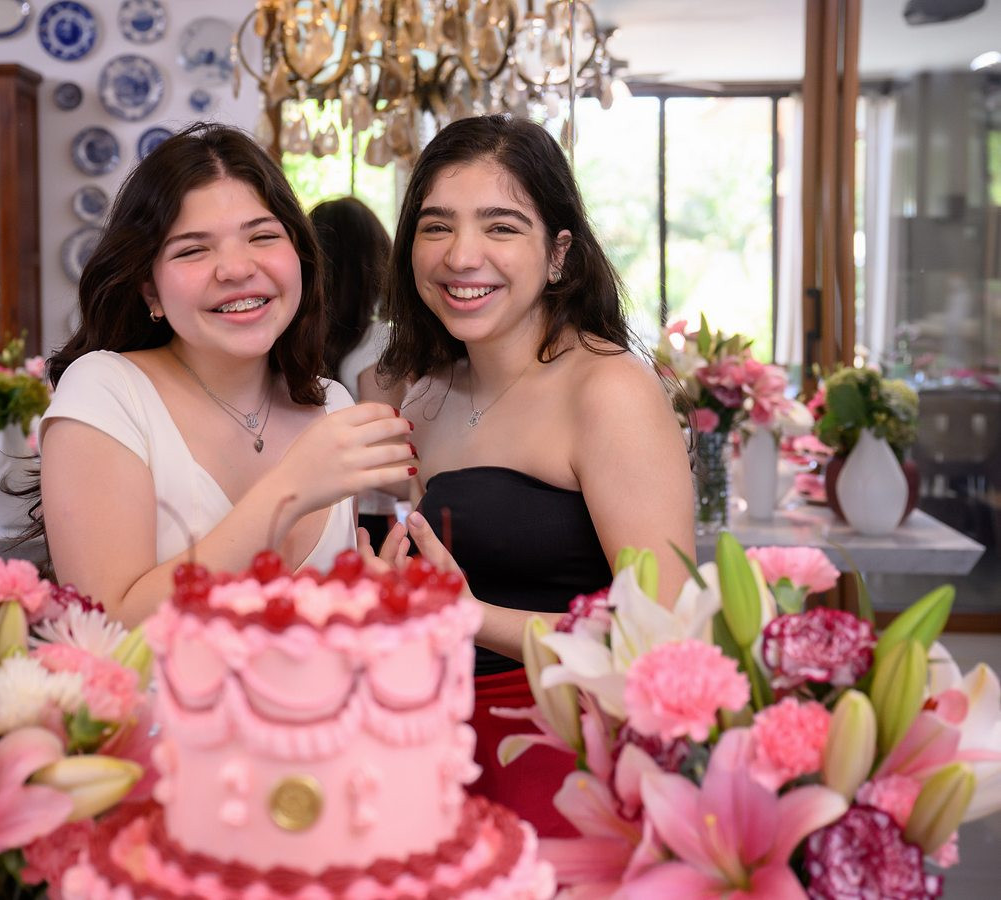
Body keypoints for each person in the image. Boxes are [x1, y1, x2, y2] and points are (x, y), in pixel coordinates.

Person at [375, 115, 695, 834]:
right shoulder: (425, 396)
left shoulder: (608, 389)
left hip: (570, 753)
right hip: (439, 744)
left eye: (501, 227)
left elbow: (665, 638)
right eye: (436, 227)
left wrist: (473, 618)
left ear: (557, 255)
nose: (462, 255)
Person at [37, 123, 417, 628]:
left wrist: (365, 605)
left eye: (262, 236)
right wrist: (290, 490)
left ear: (300, 259)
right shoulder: (107, 391)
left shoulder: (332, 406)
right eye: (193, 250)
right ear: (150, 291)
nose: (236, 269)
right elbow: (107, 631)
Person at [309, 197, 407, 549]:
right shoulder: (379, 341)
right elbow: (383, 457)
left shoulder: (300, 341)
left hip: (312, 511)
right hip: (366, 519)